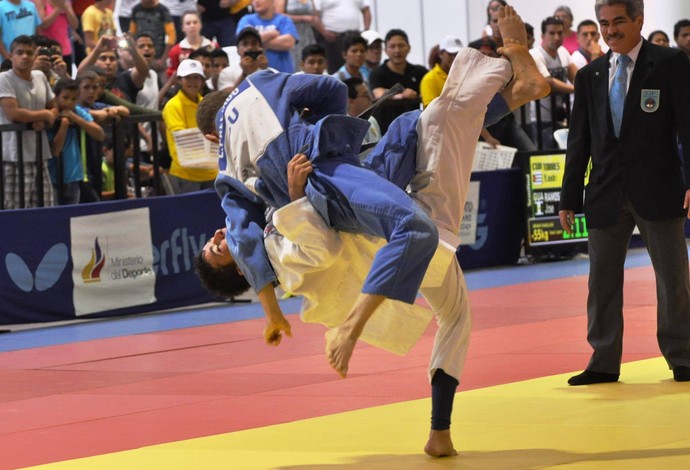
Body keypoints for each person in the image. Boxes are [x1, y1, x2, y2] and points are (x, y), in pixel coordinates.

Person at [195, 6, 549, 457]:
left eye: (212, 241)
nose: (218, 239)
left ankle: (440, 430)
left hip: (382, 217)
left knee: (413, 128)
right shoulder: (276, 255)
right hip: (385, 245)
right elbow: (316, 244)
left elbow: (251, 221)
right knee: (439, 122)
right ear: (243, 272)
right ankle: (520, 78)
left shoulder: (251, 202)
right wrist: (296, 194)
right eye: (217, 251)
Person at [559, 0, 690, 385]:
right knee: (600, 280)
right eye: (604, 23)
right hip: (604, 190)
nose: (610, 30)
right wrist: (569, 196)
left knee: (672, 278)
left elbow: (688, 126)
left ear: (639, 20)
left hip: (659, 186)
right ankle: (603, 360)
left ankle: (682, 355)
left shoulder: (669, 63)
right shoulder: (590, 75)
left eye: (618, 21)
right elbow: (578, 142)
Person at [0, 35, 57, 209]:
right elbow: (14, 114)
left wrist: (47, 118)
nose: (25, 56)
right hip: (14, 156)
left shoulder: (40, 76)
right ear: (10, 56)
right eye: (20, 52)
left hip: (39, 153)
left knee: (45, 208)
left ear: (35, 56)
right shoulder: (4, 78)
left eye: (29, 53)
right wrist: (43, 115)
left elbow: (54, 108)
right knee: (16, 210)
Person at [161, 59, 216, 194]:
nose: (193, 82)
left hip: (212, 172)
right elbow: (182, 138)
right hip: (185, 174)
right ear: (179, 80)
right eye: (188, 78)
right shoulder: (172, 105)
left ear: (202, 81)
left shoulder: (206, 103)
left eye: (196, 78)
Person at [47, 77, 105, 205]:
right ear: (56, 98)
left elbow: (100, 134)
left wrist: (75, 118)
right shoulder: (50, 116)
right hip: (53, 175)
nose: (69, 102)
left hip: (73, 174)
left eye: (74, 99)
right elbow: (55, 150)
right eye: (65, 97)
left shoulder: (77, 111)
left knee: (72, 215)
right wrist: (64, 124)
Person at [369, 28, 427, 133]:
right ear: (385, 50)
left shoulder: (420, 72)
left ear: (409, 48)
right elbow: (379, 94)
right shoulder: (377, 73)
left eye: (401, 45)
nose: (397, 50)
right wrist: (402, 95)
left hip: (414, 128)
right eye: (392, 46)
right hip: (386, 130)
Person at [236, 0, 299, 74]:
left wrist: (258, 41)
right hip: (254, 74)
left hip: (283, 72)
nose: (256, 1)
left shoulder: (284, 20)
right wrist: (272, 33)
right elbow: (242, 41)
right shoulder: (246, 19)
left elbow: (288, 43)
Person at [312, 0, 370, 74]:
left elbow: (366, 11)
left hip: (354, 37)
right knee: (334, 69)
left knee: (358, 66)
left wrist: (366, 31)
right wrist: (324, 32)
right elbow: (315, 15)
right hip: (332, 39)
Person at [128, 0, 176, 74]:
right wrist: (133, 55)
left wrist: (163, 59)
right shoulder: (136, 10)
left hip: (158, 55)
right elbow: (132, 33)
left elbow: (171, 36)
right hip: (140, 54)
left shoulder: (162, 10)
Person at [166, 11, 215, 78]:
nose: (192, 26)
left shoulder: (213, 46)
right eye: (188, 23)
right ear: (182, 28)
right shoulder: (175, 51)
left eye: (195, 22)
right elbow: (171, 73)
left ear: (201, 25)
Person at [275, 0, 320, 72]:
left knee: (311, 63)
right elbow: (278, 15)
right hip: (291, 35)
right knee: (294, 65)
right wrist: (302, 18)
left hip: (308, 35)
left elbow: (315, 15)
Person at [34, 0, 79, 70]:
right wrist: (58, 9)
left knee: (66, 79)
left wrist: (67, 8)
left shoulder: (66, 3)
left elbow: (75, 25)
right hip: (48, 49)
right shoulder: (41, 2)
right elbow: (43, 24)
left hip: (66, 49)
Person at [420, 35, 461, 108]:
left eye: (457, 54)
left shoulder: (464, 75)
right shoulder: (430, 79)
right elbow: (430, 109)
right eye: (450, 54)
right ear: (441, 54)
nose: (454, 57)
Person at [343, 76, 379, 148]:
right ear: (351, 101)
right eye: (366, 95)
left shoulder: (372, 120)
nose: (371, 98)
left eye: (369, 93)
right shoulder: (342, 126)